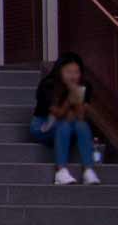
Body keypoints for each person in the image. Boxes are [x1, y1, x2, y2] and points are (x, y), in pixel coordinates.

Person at [31, 52, 100, 186]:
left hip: (70, 125)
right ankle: (60, 171)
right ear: (59, 71)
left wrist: (78, 97)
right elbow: (57, 114)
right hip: (44, 125)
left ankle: (88, 170)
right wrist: (70, 98)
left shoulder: (85, 86)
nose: (73, 76)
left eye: (76, 72)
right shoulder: (48, 85)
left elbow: (80, 116)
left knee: (82, 126)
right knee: (64, 125)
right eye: (68, 72)